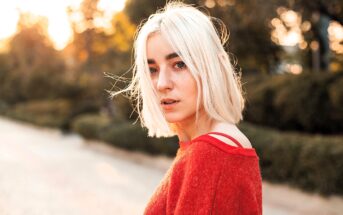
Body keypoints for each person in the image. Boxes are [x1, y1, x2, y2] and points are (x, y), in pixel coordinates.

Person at [113, 1, 262, 214]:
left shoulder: (212, 154)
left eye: (179, 64)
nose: (162, 83)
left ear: (211, 67)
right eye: (152, 69)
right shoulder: (209, 146)